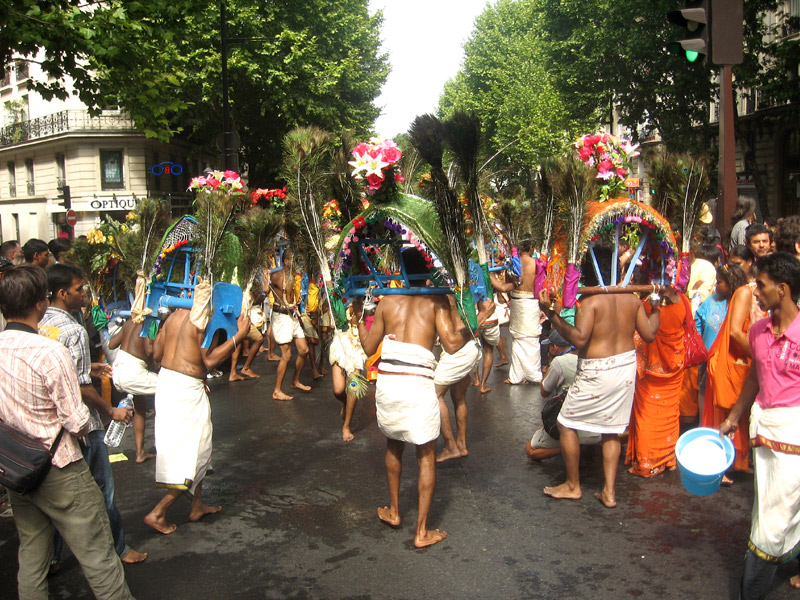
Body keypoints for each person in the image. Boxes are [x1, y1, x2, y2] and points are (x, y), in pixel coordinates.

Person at [0, 265, 135, 600]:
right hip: (59, 466)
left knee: (32, 553)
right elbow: (77, 421)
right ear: (40, 303)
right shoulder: (51, 352)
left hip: (17, 465)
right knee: (97, 551)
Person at [352, 247, 472, 548]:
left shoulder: (387, 302)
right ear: (426, 271)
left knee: (394, 444)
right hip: (417, 385)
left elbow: (368, 348)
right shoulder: (435, 302)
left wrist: (357, 320)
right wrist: (477, 323)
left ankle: (394, 512)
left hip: (389, 384)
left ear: (399, 272)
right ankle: (421, 532)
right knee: (426, 455)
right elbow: (452, 344)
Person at [39, 263, 147, 566]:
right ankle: (119, 548)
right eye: (79, 288)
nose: (84, 293)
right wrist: (111, 410)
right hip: (82, 423)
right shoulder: (73, 330)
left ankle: (50, 560)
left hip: (50, 423)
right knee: (102, 490)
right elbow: (82, 387)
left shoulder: (42, 322)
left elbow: (63, 371)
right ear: (63, 293)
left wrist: (89, 368)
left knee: (54, 499)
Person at [538, 245, 661, 508]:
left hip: (596, 370)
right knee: (611, 430)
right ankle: (609, 492)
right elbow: (650, 334)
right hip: (625, 368)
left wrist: (551, 315)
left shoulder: (590, 302)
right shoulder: (631, 300)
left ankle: (573, 485)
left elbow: (579, 339)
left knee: (565, 423)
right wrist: (657, 305)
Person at [719, 252, 800, 600]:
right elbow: (754, 376)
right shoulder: (757, 331)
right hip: (764, 434)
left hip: (794, 434)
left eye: (762, 285)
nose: (756, 292)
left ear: (782, 290)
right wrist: (733, 417)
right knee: (775, 506)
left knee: (772, 518)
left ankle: (750, 591)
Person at [144, 306, 250, 535]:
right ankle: (159, 512)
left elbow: (156, 354)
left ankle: (197, 505)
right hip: (186, 390)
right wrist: (239, 336)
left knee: (196, 445)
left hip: (166, 383)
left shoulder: (174, 315)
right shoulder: (206, 318)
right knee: (198, 452)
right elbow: (209, 361)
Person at [703, 246, 768, 482]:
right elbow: (735, 332)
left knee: (738, 411)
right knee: (724, 410)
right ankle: (718, 465)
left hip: (742, 360)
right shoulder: (744, 292)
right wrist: (761, 356)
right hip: (731, 360)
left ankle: (737, 462)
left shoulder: (752, 293)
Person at [625, 287, 688, 477]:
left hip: (651, 369)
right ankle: (668, 458)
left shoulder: (646, 305)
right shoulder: (683, 301)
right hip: (675, 364)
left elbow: (640, 333)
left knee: (647, 414)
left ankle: (647, 463)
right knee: (670, 413)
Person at [684, 264, 748, 424]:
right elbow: (697, 326)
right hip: (707, 365)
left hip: (731, 367)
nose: (716, 286)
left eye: (719, 282)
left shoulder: (743, 303)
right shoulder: (711, 301)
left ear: (731, 283)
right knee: (705, 404)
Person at [525, 328, 601, 461]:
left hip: (569, 422)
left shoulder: (559, 362)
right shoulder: (593, 358)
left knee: (530, 451)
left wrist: (549, 367)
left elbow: (544, 391)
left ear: (555, 347)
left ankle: (570, 447)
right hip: (594, 420)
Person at [434, 296, 495, 463]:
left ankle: (451, 446)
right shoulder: (458, 291)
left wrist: (482, 316)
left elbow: (454, 339)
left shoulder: (447, 295)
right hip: (469, 346)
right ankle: (461, 444)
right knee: (458, 397)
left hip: (459, 350)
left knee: (434, 395)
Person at [491, 237, 542, 385]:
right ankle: (531, 375)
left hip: (517, 301)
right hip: (530, 302)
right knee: (531, 339)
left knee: (518, 340)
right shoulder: (536, 264)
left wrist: (488, 274)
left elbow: (504, 286)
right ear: (531, 247)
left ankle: (517, 376)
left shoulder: (513, 263)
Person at [111, 318, 158, 463]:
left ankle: (140, 453)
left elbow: (111, 344)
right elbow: (150, 350)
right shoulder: (151, 322)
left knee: (140, 407)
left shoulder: (130, 321)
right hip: (134, 373)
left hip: (118, 371)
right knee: (171, 386)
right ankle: (164, 446)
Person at [268, 248, 312, 400]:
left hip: (292, 315)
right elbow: (265, 289)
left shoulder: (295, 276)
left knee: (304, 350)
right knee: (286, 355)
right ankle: (277, 391)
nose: (297, 262)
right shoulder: (276, 276)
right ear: (286, 261)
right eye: (294, 259)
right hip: (281, 316)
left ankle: (295, 381)